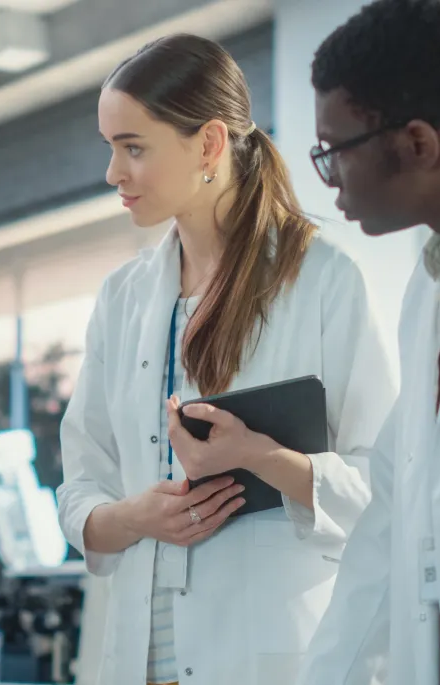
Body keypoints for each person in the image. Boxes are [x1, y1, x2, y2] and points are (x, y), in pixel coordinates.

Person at [56, 33, 397, 685]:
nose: (112, 174)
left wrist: (262, 459)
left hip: (267, 654)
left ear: (209, 144)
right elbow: (79, 483)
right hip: (137, 655)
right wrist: (130, 516)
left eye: (133, 148)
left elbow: (384, 489)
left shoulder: (322, 279)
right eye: (110, 149)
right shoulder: (121, 297)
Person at [298, 1, 440, 683]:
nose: (328, 181)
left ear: (417, 144)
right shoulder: (425, 292)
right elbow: (387, 530)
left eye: (334, 152)